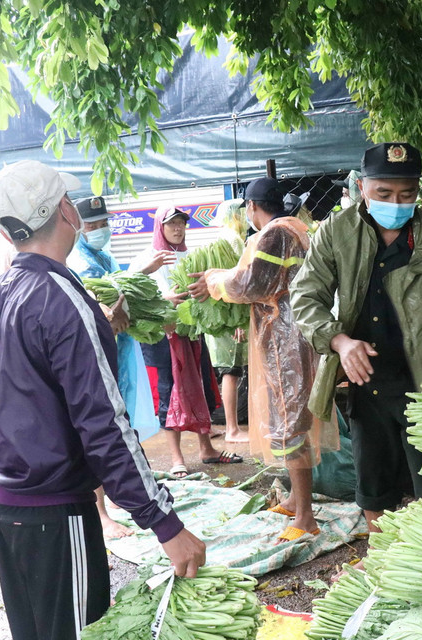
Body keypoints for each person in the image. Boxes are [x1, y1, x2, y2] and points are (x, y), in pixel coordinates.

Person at [0, 160, 205, 640]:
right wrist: (163, 522)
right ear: (66, 210)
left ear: (6, 231)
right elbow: (105, 426)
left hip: (4, 507)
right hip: (56, 513)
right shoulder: (62, 298)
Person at [289, 142, 422, 540]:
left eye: (406, 194)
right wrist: (339, 341)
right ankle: (380, 556)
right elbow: (305, 297)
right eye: (384, 193)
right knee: (373, 481)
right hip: (363, 379)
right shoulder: (336, 233)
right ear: (362, 187)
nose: (395, 203)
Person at [189, 177, 335, 542]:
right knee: (291, 420)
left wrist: (213, 281)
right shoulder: (296, 228)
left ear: (252, 207)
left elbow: (250, 284)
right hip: (291, 339)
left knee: (290, 427)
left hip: (288, 344)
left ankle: (305, 517)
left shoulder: (274, 234)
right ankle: (294, 499)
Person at [67, 196, 161, 539]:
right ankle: (101, 514)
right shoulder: (78, 261)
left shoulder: (103, 256)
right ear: (78, 227)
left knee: (117, 422)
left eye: (103, 223)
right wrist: (137, 276)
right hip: (96, 355)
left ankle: (112, 497)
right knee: (97, 429)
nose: (99, 229)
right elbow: (98, 304)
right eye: (92, 225)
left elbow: (120, 295)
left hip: (115, 349)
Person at [129, 205, 241, 476]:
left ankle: (207, 449)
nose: (178, 229)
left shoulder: (191, 256)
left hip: (191, 334)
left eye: (181, 223)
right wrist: (163, 300)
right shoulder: (146, 258)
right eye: (172, 224)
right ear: (160, 227)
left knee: (201, 387)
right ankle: (176, 458)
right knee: (169, 393)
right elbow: (130, 294)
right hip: (161, 337)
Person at [204, 199, 250, 443]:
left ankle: (232, 428)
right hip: (230, 320)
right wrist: (239, 322)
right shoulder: (232, 241)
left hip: (222, 319)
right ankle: (232, 429)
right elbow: (237, 283)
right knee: (231, 372)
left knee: (231, 371)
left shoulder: (222, 239)